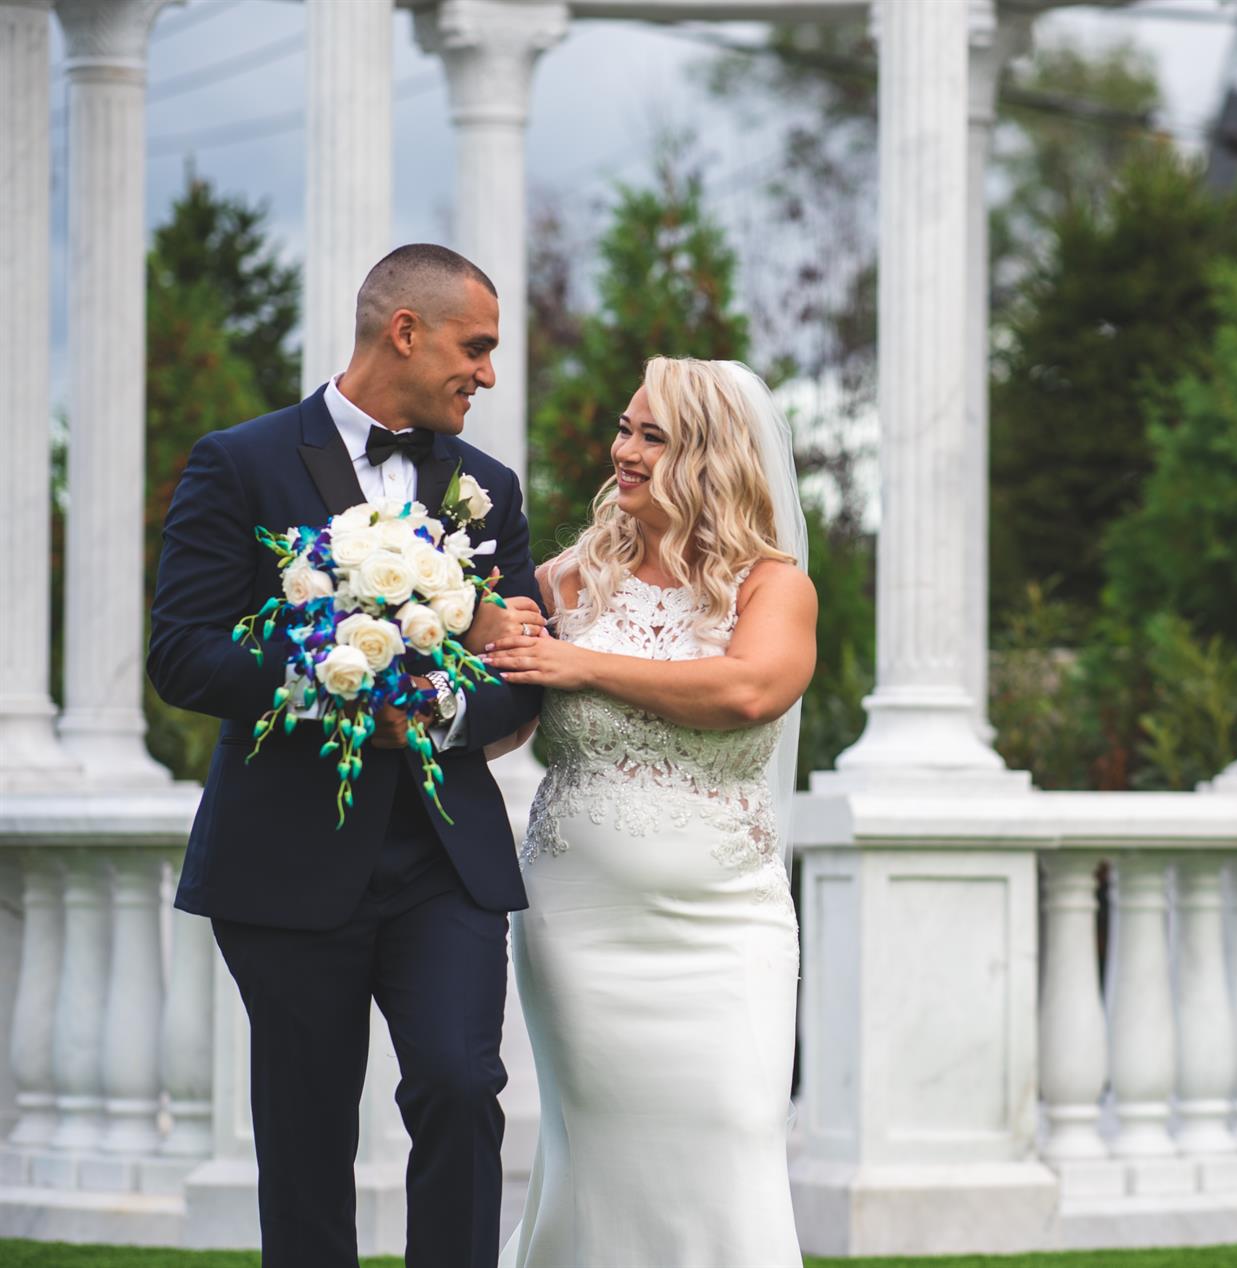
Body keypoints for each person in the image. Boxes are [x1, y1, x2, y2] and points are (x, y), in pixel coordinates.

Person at [147, 244, 549, 1268]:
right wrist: (338, 682)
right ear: (404, 331)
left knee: (462, 1084)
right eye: (476, 347)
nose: (487, 373)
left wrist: (437, 712)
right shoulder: (240, 462)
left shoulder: (487, 487)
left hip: (442, 859)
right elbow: (183, 653)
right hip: (285, 857)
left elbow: (519, 670)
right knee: (306, 1135)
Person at [480, 356, 817, 1267]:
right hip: (581, 922)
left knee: (736, 1135)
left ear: (710, 455)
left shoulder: (772, 586)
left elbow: (749, 691)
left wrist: (582, 665)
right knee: (601, 1158)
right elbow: (503, 724)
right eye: (625, 429)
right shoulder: (567, 581)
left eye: (652, 436)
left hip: (728, 925)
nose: (623, 451)